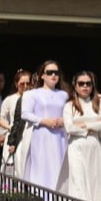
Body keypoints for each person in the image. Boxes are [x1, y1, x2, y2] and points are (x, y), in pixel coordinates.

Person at [20, 60, 69, 191]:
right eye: (49, 72)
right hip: (41, 135)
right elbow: (25, 113)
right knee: (42, 170)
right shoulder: (32, 94)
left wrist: (64, 120)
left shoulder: (64, 95)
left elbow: (71, 114)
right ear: (42, 75)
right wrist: (43, 121)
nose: (53, 75)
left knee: (59, 169)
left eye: (56, 72)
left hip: (60, 137)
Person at [61, 70, 101, 201]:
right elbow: (69, 127)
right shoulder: (69, 105)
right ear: (75, 86)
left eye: (88, 83)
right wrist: (93, 125)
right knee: (78, 183)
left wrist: (82, 124)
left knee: (95, 183)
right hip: (76, 146)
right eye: (81, 83)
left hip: (94, 147)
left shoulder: (99, 103)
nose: (85, 87)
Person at [0, 69, 32, 175]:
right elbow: (1, 119)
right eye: (22, 84)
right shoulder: (10, 99)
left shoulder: (33, 98)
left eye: (28, 83)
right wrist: (10, 127)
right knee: (11, 165)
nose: (25, 86)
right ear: (16, 84)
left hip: (28, 134)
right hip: (14, 135)